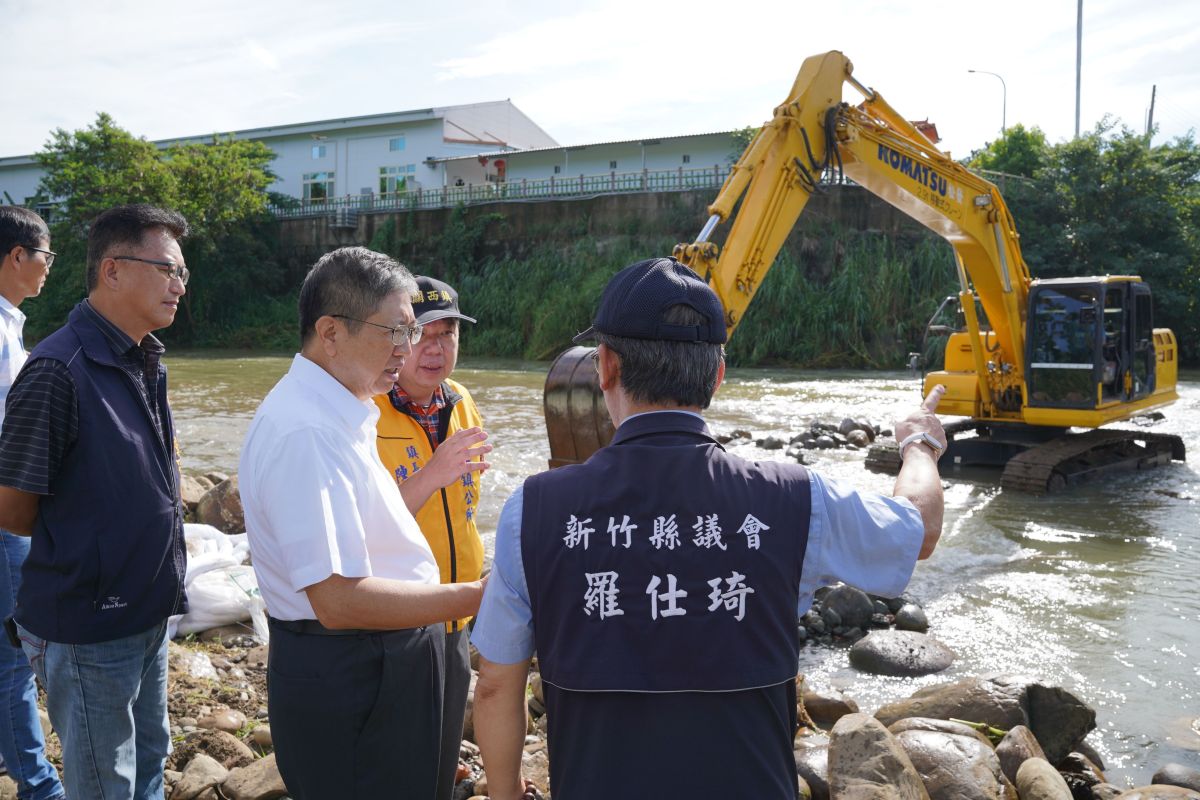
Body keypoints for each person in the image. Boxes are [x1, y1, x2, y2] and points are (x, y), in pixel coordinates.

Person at [471, 256, 947, 800]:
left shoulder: (531, 510)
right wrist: (918, 443)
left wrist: (506, 791)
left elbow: (494, 686)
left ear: (604, 367)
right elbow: (919, 529)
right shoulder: (796, 497)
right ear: (718, 375)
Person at [239, 246, 486, 799]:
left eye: (412, 332)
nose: (408, 348)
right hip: (351, 669)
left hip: (377, 660)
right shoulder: (307, 432)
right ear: (331, 332)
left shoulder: (343, 409)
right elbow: (339, 600)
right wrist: (474, 596)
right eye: (395, 332)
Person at [0, 203, 191, 800]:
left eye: (182, 273)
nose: (179, 285)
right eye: (166, 269)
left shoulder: (143, 357)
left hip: (149, 612)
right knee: (105, 782)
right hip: (91, 626)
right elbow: (14, 508)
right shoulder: (59, 369)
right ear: (112, 270)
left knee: (150, 765)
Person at [373, 275, 491, 800]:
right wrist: (432, 474)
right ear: (397, 338)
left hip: (457, 610)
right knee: (394, 751)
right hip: (396, 618)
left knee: (443, 749)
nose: (438, 348)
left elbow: (470, 500)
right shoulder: (367, 410)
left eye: (449, 334)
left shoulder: (460, 399)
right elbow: (365, 527)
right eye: (424, 333)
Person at [0, 207, 65, 800]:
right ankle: (38, 785)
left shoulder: (10, 325)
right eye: (46, 256)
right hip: (3, 517)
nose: (49, 268)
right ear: (17, 256)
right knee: (13, 657)